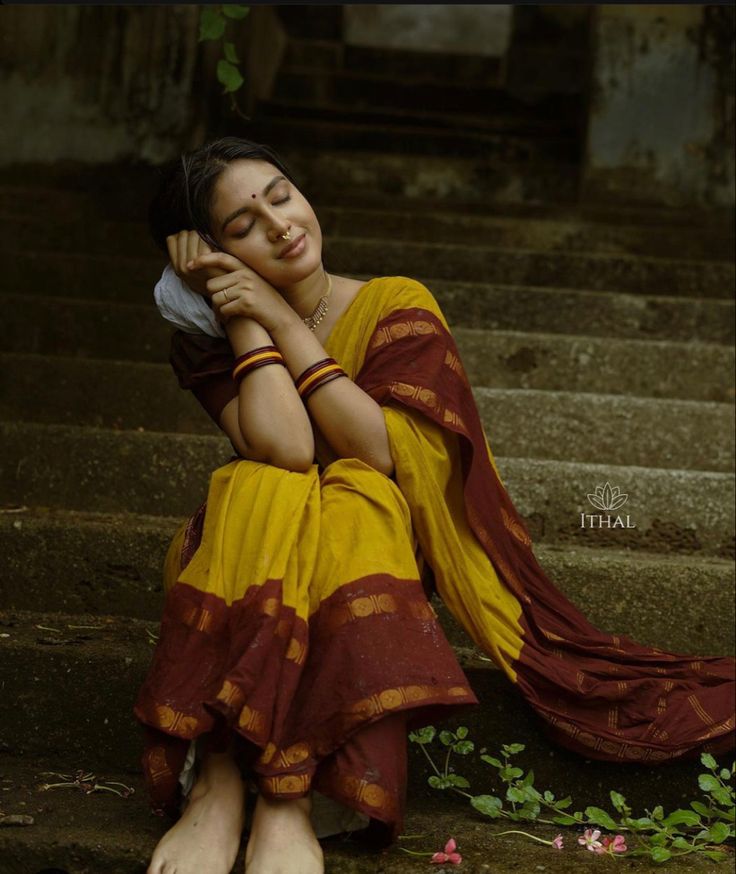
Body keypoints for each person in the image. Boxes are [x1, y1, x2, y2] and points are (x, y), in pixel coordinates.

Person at [134, 137, 735, 874]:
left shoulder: (396, 304)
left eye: (281, 194)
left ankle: (285, 799)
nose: (280, 224)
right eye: (241, 226)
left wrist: (280, 319)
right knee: (257, 481)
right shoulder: (211, 340)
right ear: (213, 260)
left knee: (355, 492)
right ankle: (220, 787)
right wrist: (241, 316)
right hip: (250, 548)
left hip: (371, 549)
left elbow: (381, 455)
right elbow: (287, 446)